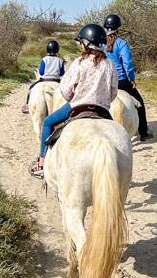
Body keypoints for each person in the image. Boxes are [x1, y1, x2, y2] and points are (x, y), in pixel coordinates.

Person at [29, 24, 117, 179]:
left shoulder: (79, 63)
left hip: (78, 105)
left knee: (48, 123)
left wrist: (72, 97)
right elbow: (113, 92)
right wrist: (103, 101)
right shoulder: (110, 64)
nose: (81, 45)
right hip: (102, 110)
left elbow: (65, 89)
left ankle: (41, 164)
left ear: (87, 43)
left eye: (82, 42)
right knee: (116, 135)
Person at [103, 13, 153, 140]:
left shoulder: (101, 44)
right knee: (140, 103)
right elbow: (127, 63)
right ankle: (143, 133)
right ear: (118, 28)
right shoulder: (121, 43)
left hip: (107, 81)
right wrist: (131, 79)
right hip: (122, 81)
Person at [22, 39, 65, 114]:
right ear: (57, 49)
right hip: (56, 80)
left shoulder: (44, 59)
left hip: (44, 79)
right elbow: (62, 73)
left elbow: (41, 72)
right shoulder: (60, 60)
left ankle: (27, 105)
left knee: (31, 88)